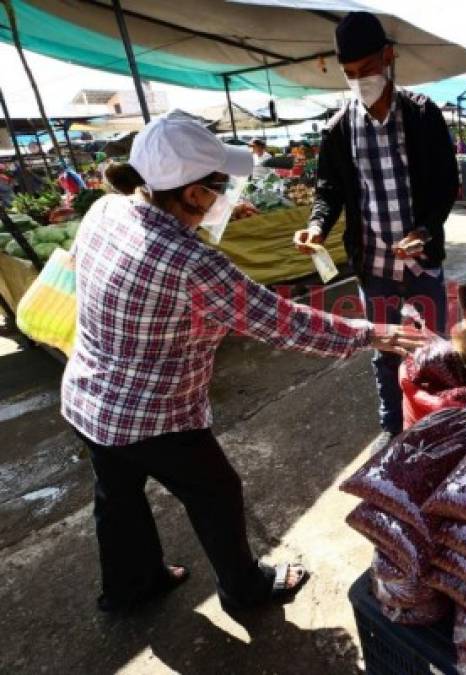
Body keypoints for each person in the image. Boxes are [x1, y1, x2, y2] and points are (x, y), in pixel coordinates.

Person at [63, 111, 425, 613]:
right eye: (219, 186)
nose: (226, 196)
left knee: (117, 496)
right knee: (216, 493)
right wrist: (372, 333)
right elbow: (285, 323)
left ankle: (131, 585)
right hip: (154, 416)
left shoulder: (106, 210)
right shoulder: (193, 263)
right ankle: (244, 588)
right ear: (192, 194)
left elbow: (82, 265)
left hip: (86, 398)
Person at [294, 12, 458, 442]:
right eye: (350, 74)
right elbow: (329, 188)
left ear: (388, 57)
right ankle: (394, 429)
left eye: (367, 70)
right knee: (384, 353)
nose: (360, 81)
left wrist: (425, 230)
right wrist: (317, 225)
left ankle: (436, 422)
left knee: (434, 347)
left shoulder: (422, 116)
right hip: (375, 270)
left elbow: (445, 184)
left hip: (422, 265)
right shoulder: (338, 128)